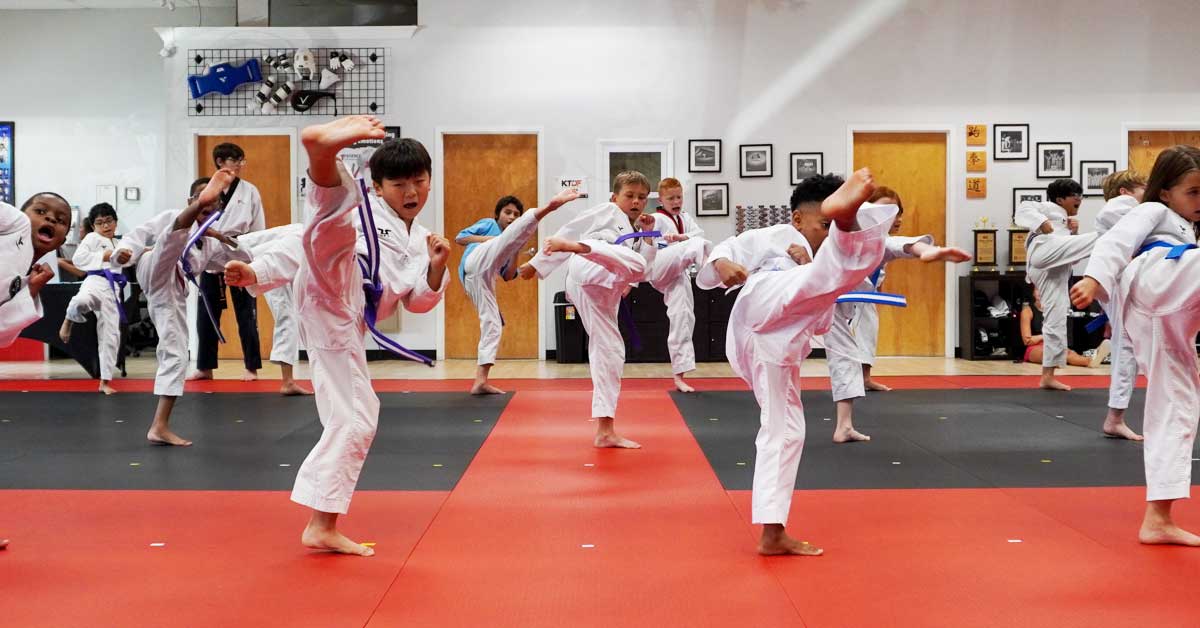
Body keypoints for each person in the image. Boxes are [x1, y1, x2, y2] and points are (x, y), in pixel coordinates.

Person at [230, 116, 449, 556]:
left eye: (419, 182)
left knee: (353, 416)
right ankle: (323, 156)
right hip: (336, 296)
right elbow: (301, 241)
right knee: (333, 231)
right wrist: (258, 271)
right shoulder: (366, 212)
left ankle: (321, 523)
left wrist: (437, 266)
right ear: (378, 187)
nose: (411, 192)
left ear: (429, 180)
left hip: (346, 312)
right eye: (399, 185)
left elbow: (417, 303)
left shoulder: (424, 239)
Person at [697, 168, 893, 555]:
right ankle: (772, 534)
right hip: (764, 304)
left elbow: (844, 292)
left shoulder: (824, 261)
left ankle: (772, 531)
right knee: (817, 274)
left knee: (786, 429)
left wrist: (920, 250)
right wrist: (722, 264)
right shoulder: (777, 237)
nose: (827, 234)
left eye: (835, 225)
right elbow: (729, 247)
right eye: (826, 224)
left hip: (775, 343)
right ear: (798, 219)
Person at [1071, 145, 1200, 546]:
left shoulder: (1188, 227)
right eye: (1193, 192)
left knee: (1178, 406)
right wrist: (1094, 278)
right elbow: (1116, 241)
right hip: (1157, 275)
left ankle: (1158, 518)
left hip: (1165, 313)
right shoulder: (1153, 211)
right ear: (1165, 192)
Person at [822, 184, 970, 443]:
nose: (889, 218)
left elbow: (903, 245)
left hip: (843, 303)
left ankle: (844, 425)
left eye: (895, 212)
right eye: (882, 212)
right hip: (811, 296)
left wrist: (930, 251)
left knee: (846, 353)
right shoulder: (839, 236)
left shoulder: (881, 242)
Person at [520, 171, 657, 449]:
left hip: (603, 289)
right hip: (587, 267)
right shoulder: (607, 211)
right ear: (614, 197)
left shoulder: (636, 233)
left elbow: (643, 270)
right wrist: (537, 263)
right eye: (629, 195)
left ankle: (605, 430)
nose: (636, 201)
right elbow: (572, 227)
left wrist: (647, 237)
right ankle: (581, 248)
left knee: (611, 351)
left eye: (642, 197)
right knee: (634, 264)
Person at [112, 173, 244, 447]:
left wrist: (223, 239)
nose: (210, 205)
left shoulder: (210, 243)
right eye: (202, 200)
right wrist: (122, 252)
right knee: (172, 237)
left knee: (176, 352)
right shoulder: (172, 216)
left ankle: (159, 426)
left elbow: (233, 258)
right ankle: (159, 427)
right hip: (153, 264)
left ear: (219, 206)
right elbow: (138, 235)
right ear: (190, 200)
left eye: (214, 201)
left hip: (170, 292)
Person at [0, 191, 72, 551]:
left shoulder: (27, 275)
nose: (49, 220)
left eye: (60, 221)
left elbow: (2, 336)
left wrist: (29, 291)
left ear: (63, 238)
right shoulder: (12, 223)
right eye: (40, 211)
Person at [456, 190, 579, 395]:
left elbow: (508, 275)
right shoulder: (489, 224)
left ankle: (480, 381)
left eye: (516, 214)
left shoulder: (510, 242)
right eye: (507, 212)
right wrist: (492, 239)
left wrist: (515, 253)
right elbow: (460, 238)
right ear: (498, 214)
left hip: (483, 279)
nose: (511, 217)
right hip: (474, 261)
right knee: (508, 238)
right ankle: (549, 206)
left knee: (493, 325)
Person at [191, 142, 266, 382]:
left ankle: (251, 367)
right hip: (210, 256)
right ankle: (205, 367)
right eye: (235, 160)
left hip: (240, 253)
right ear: (220, 162)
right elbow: (194, 217)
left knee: (247, 316)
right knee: (206, 315)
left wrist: (256, 256)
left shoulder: (249, 191)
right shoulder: (206, 189)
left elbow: (258, 226)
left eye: (242, 160)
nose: (240, 165)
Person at [1014, 178, 1095, 391]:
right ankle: (1123, 238)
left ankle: (1047, 376)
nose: (1079, 199)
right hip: (1044, 252)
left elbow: (1072, 256)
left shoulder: (1067, 223)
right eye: (1074, 195)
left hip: (1054, 271)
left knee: (1056, 319)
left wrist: (1074, 233)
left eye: (1081, 195)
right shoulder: (1048, 208)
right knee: (1105, 238)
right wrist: (1041, 221)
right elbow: (1023, 208)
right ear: (1059, 200)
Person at [1092, 169, 1148, 441]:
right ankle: (1114, 419)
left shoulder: (1135, 211)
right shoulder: (1119, 206)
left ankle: (1116, 417)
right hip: (1117, 281)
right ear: (1125, 191)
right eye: (1143, 188)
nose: (1148, 193)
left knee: (1131, 343)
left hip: (1121, 281)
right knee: (1126, 343)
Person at [231, 223, 311, 396]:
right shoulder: (301, 232)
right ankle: (288, 382)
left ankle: (288, 381)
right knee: (287, 316)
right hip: (266, 263)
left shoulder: (304, 232)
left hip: (267, 261)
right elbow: (248, 245)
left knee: (291, 316)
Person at [647, 177, 711, 393]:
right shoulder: (657, 218)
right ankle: (715, 274)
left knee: (683, 317)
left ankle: (679, 376)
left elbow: (699, 234)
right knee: (696, 244)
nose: (676, 202)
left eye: (679, 197)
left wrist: (680, 237)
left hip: (677, 271)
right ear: (661, 200)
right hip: (659, 265)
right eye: (671, 198)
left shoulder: (686, 218)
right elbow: (648, 241)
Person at [59, 202, 123, 394]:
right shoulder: (92, 238)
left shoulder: (121, 243)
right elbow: (79, 259)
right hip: (95, 281)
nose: (106, 226)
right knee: (81, 301)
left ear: (115, 222)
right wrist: (104, 255)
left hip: (113, 290)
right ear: (94, 226)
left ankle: (104, 381)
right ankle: (68, 320)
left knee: (110, 336)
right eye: (100, 222)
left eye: (109, 221)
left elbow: (136, 255)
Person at [1019, 285, 1101, 368]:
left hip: (1053, 345)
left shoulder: (1053, 311)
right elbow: (1027, 340)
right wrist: (1045, 336)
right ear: (1033, 293)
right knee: (1055, 354)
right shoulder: (1027, 311)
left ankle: (1091, 361)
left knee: (1069, 353)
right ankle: (1089, 360)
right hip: (1033, 348)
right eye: (1038, 289)